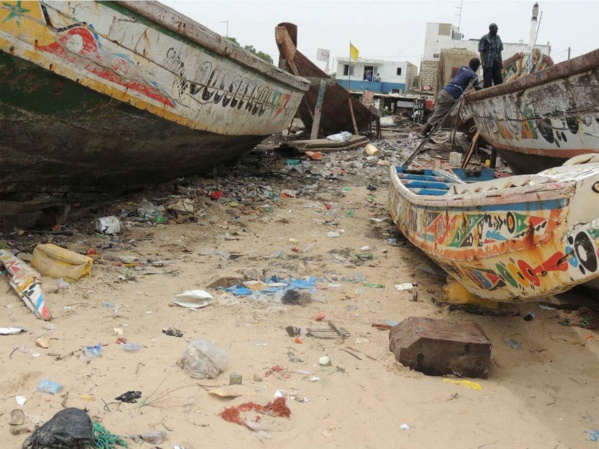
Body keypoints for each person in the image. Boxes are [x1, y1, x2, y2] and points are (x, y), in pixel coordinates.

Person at [418, 58, 482, 138]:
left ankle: (427, 132)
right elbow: (478, 88)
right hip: (449, 95)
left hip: (445, 92)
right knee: (438, 115)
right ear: (476, 66)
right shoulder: (473, 75)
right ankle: (422, 132)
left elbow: (462, 78)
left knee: (440, 114)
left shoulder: (462, 68)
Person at [478, 23, 504, 88]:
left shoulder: (498, 38)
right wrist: (483, 62)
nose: (497, 31)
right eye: (495, 29)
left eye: (497, 29)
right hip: (488, 63)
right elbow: (482, 52)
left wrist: (501, 61)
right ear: (491, 29)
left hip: (496, 63)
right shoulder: (484, 38)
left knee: (499, 82)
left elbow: (499, 50)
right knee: (487, 83)